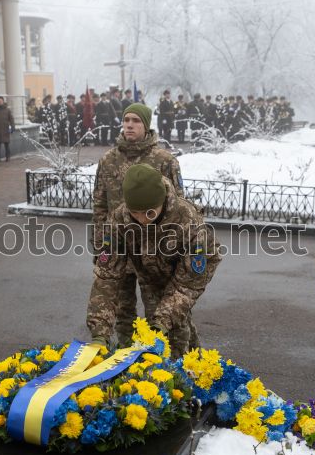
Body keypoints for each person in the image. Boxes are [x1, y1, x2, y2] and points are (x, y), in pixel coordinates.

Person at [87, 163, 220, 358]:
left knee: (172, 328)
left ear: (162, 201)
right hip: (148, 274)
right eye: (135, 212)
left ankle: (192, 366)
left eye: (149, 212)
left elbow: (188, 284)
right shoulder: (119, 220)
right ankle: (186, 360)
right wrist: (99, 332)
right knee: (157, 326)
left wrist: (163, 322)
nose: (142, 219)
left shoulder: (188, 220)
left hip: (183, 276)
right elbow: (107, 277)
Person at [92, 103, 185, 347]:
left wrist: (172, 249)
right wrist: (100, 245)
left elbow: (177, 207)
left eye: (136, 121)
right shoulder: (108, 160)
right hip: (119, 246)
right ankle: (125, 356)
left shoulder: (164, 161)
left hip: (152, 251)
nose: (129, 125)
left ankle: (157, 357)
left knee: (157, 312)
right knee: (123, 312)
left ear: (146, 125)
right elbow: (99, 205)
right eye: (126, 120)